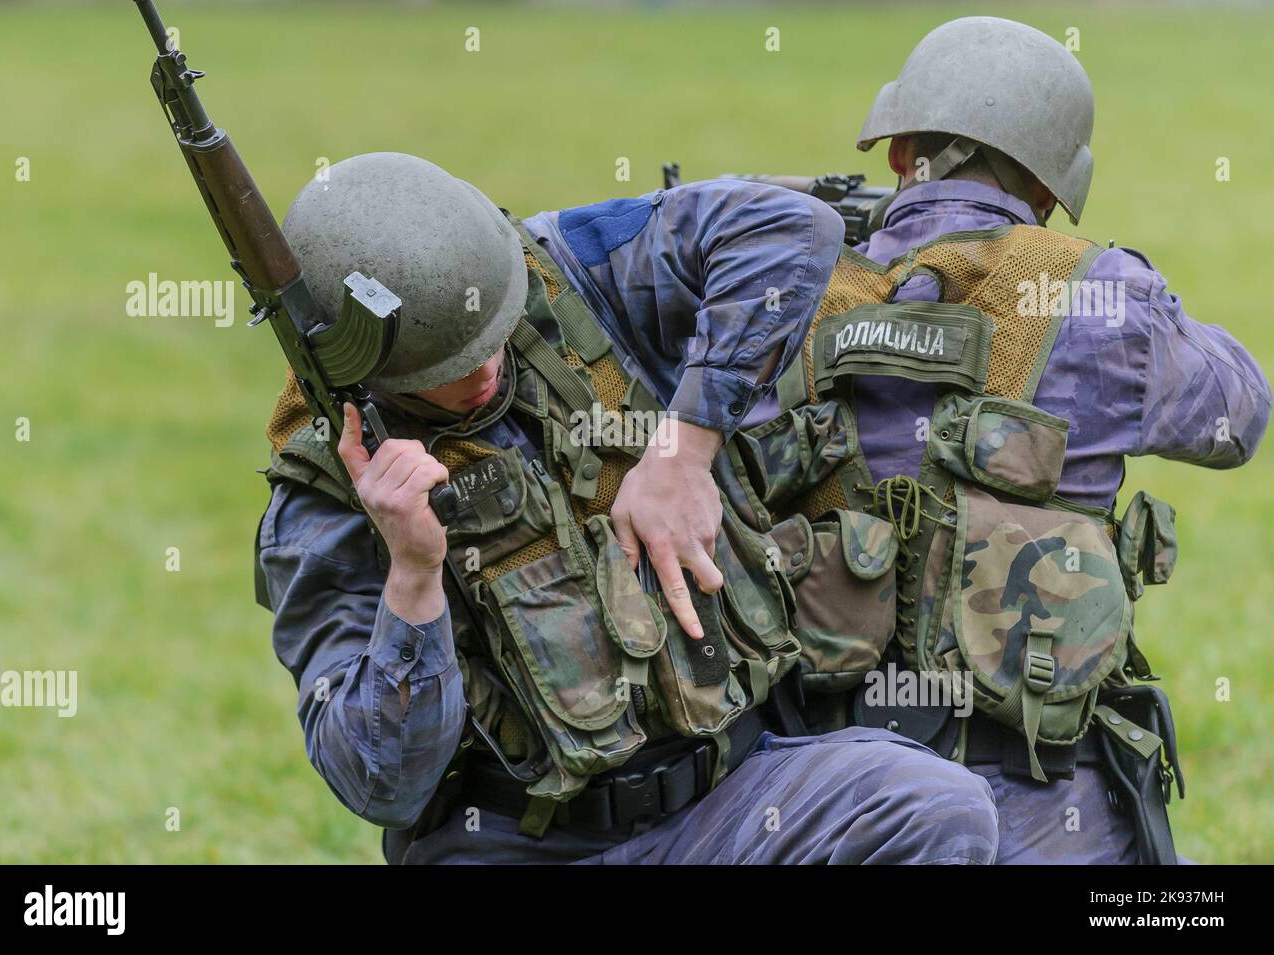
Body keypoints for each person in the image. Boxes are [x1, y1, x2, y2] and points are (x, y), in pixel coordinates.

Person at [254, 151, 1000, 864]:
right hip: (521, 842)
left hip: (731, 796)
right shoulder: (322, 499)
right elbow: (380, 782)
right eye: (447, 364)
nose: (485, 367)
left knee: (937, 809)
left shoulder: (567, 271)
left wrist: (685, 447)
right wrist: (414, 575)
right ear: (363, 366)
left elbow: (791, 227)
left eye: (493, 332)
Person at [758, 15, 1270, 863]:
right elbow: (1241, 414)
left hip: (828, 798)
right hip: (1041, 791)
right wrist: (1129, 287)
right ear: (1050, 183)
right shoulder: (1100, 292)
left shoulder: (791, 288)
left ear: (897, 152)